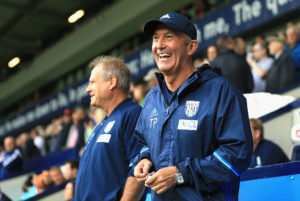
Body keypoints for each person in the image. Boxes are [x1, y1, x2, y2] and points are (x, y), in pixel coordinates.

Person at [133, 12, 253, 201]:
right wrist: (143, 159)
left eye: (169, 37)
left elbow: (237, 155)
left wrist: (180, 174)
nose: (159, 45)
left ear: (191, 47)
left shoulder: (221, 91)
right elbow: (142, 142)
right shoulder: (151, 99)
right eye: (156, 38)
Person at [74, 56, 145, 201]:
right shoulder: (103, 123)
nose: (88, 89)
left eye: (93, 82)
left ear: (112, 82)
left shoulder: (132, 114)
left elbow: (140, 167)